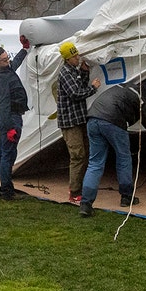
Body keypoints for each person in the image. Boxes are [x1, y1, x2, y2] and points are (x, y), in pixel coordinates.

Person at [78, 78, 146, 217]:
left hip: (92, 119)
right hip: (113, 121)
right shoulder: (144, 98)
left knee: (95, 163)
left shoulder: (125, 86)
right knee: (123, 158)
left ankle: (85, 204)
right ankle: (127, 197)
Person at [0, 37, 30, 200]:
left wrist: (24, 50)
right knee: (7, 156)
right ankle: (7, 191)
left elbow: (14, 64)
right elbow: (4, 104)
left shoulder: (4, 70)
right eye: (4, 60)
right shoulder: (2, 79)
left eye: (7, 58)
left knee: (0, 154)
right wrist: (10, 126)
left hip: (8, 118)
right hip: (10, 118)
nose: (8, 61)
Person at [55, 41, 100, 204]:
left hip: (79, 118)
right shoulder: (65, 73)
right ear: (68, 58)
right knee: (77, 156)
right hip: (70, 122)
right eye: (74, 56)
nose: (77, 58)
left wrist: (84, 73)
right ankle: (74, 192)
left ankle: (82, 187)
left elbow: (78, 85)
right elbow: (75, 93)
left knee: (85, 153)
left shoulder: (73, 71)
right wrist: (93, 88)